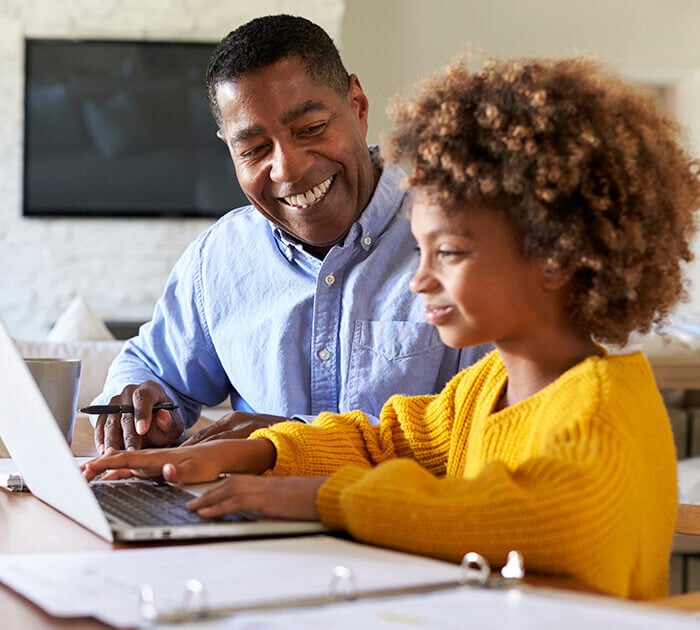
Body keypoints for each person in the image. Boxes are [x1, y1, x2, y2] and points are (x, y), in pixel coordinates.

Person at [84, 55, 700, 599]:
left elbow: (511, 514)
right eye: (420, 252)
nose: (417, 279)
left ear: (557, 257)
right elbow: (383, 443)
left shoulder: (606, 406)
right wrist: (258, 450)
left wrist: (316, 497)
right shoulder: (485, 387)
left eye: (449, 254)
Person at [90, 14, 488, 454]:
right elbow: (150, 367)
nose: (288, 169)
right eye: (255, 150)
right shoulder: (220, 258)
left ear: (357, 105)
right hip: (245, 518)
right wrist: (140, 405)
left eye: (311, 129)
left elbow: (482, 430)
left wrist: (287, 443)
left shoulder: (456, 243)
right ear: (229, 149)